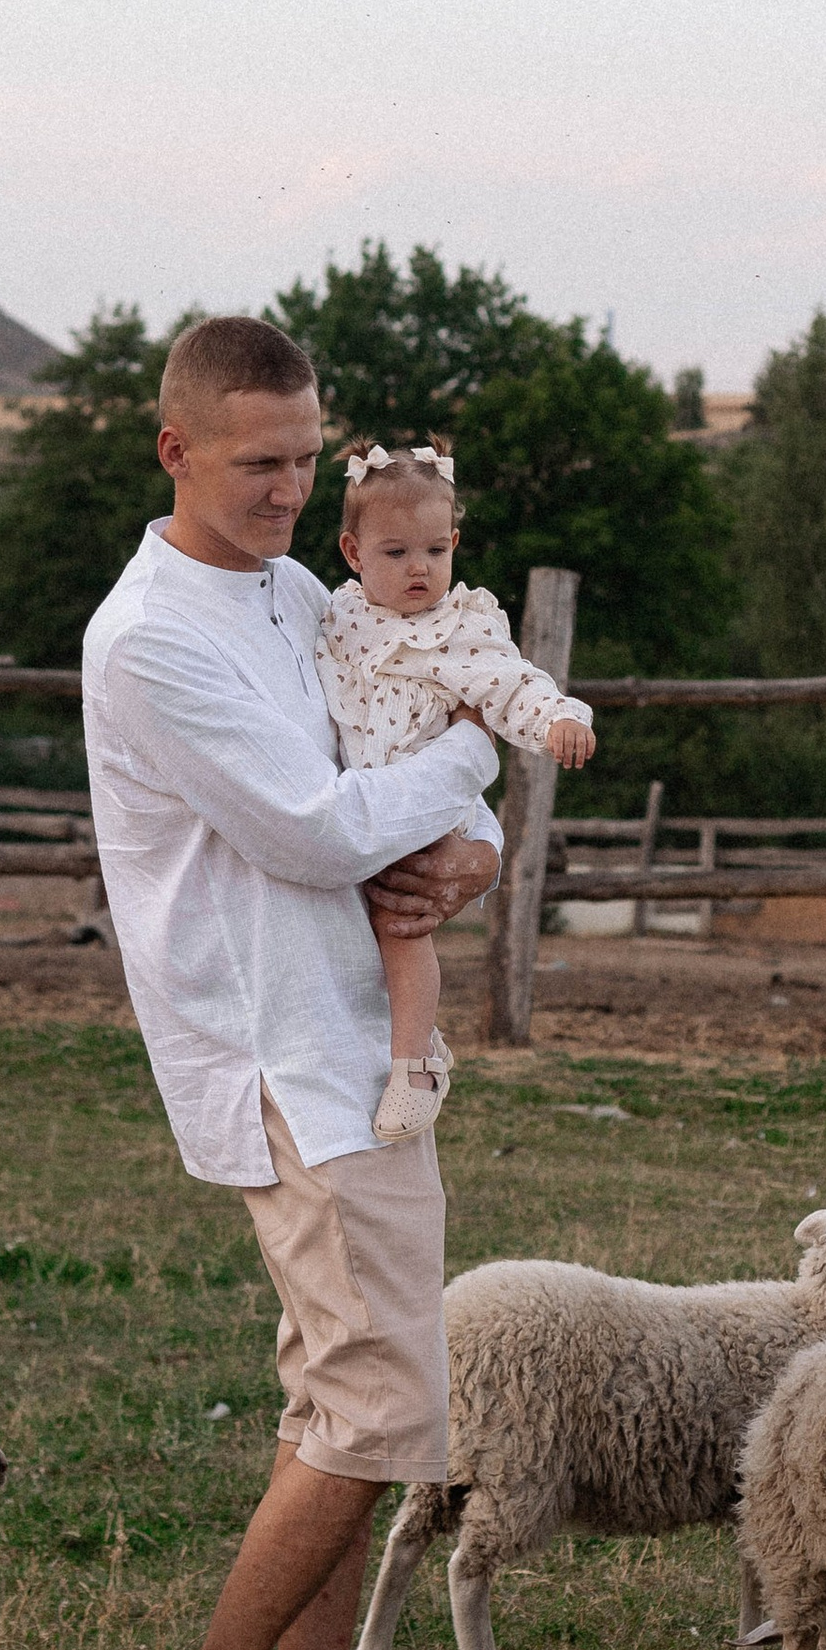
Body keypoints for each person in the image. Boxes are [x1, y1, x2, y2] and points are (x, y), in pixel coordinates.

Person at [81, 314, 510, 1650]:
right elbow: (319, 831)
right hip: (282, 1056)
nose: (286, 490)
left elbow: (409, 737)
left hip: (363, 1042)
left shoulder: (296, 593)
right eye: (257, 462)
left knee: (353, 1402)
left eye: (307, 459)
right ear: (175, 450)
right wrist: (475, 767)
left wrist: (474, 851)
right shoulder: (153, 640)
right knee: (382, 1405)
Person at [314, 438, 595, 1146]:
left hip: (424, 807)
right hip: (356, 797)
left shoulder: (459, 629)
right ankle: (396, 1041)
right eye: (397, 552)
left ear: (455, 547)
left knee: (399, 920)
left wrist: (559, 719)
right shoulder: (339, 615)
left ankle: (415, 1065)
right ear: (353, 552)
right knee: (351, 923)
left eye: (435, 551)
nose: (420, 568)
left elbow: (512, 684)